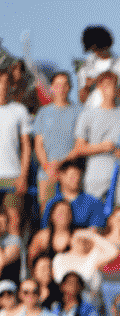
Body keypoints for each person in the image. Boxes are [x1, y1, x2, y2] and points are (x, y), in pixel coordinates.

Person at [70, 71, 120, 212]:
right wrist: (103, 147)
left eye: (114, 85)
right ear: (99, 87)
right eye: (107, 85)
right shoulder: (87, 114)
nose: (111, 88)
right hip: (95, 176)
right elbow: (79, 148)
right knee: (94, 218)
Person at [33, 72, 82, 211]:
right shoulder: (43, 112)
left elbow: (80, 144)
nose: (61, 88)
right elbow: (38, 144)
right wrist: (48, 167)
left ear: (70, 87)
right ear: (52, 88)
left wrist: (60, 164)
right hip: (47, 173)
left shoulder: (79, 112)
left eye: (65, 84)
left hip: (71, 172)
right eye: (57, 85)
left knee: (71, 213)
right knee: (47, 213)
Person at [0, 68, 31, 235]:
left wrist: (23, 176)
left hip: (13, 176)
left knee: (14, 221)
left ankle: (17, 260)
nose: (2, 87)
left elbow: (26, 145)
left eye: (5, 83)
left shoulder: (19, 110)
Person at [76, 25, 120, 105]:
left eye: (98, 48)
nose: (96, 51)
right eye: (92, 49)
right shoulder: (86, 67)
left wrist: (112, 86)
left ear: (107, 44)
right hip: (92, 113)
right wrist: (87, 87)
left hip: (115, 113)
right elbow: (82, 99)